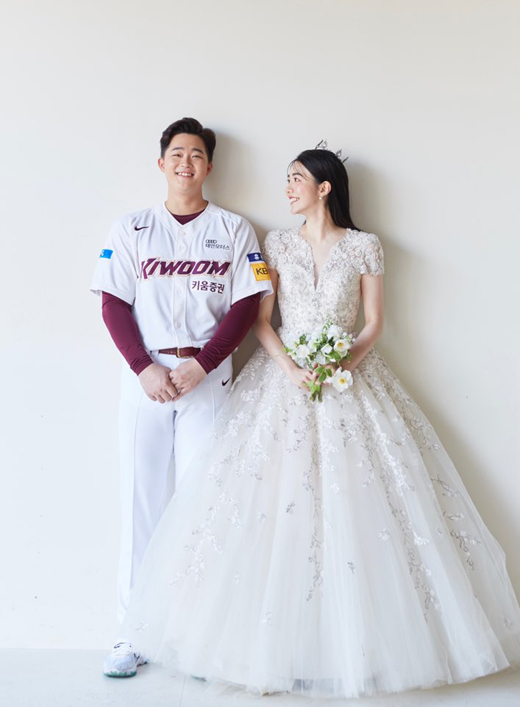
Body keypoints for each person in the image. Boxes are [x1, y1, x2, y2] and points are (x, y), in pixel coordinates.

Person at [119, 144, 520, 697]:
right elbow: (261, 320)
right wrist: (291, 368)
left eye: (296, 179)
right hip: (281, 380)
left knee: (360, 505)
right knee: (273, 503)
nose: (287, 188)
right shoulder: (276, 244)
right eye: (287, 179)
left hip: (347, 380)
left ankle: (363, 649)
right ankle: (266, 649)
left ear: (324, 187)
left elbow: (374, 323)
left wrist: (340, 365)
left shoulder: (365, 246)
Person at [90, 117, 273, 677]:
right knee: (140, 504)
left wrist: (204, 363)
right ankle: (130, 634)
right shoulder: (131, 227)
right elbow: (112, 303)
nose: (186, 163)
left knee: (204, 506)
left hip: (207, 377)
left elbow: (247, 304)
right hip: (145, 376)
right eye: (177, 153)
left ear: (209, 165)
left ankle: (198, 636)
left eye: (196, 154)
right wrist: (144, 367)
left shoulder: (235, 229)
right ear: (162, 162)